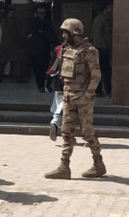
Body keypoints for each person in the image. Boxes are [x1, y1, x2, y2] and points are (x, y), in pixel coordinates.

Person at [44, 18, 106, 180]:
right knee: (66, 131)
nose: (64, 36)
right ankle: (64, 166)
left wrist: (87, 95)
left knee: (87, 133)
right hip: (69, 97)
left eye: (66, 33)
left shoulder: (89, 51)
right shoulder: (67, 50)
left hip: (83, 99)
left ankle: (98, 164)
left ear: (76, 33)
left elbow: (96, 76)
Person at [45, 29, 68, 141]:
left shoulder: (58, 50)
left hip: (59, 83)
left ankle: (54, 124)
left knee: (58, 108)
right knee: (71, 110)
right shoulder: (79, 51)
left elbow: (52, 67)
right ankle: (67, 132)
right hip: (73, 85)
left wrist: (48, 82)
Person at [29, 6, 54, 92]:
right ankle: (39, 85)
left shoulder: (48, 21)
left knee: (44, 67)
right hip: (36, 48)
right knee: (36, 68)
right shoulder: (34, 21)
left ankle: (42, 85)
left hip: (45, 48)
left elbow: (51, 33)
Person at [0, 8, 25, 82]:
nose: (12, 15)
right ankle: (0, 76)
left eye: (13, 13)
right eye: (11, 13)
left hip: (12, 44)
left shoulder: (13, 21)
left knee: (15, 62)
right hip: (6, 44)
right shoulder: (5, 21)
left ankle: (16, 77)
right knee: (2, 62)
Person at [91, 3, 113, 96]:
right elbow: (98, 36)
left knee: (104, 71)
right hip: (101, 49)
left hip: (103, 48)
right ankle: (101, 90)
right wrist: (102, 46)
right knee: (103, 70)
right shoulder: (101, 19)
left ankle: (104, 90)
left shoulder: (105, 19)